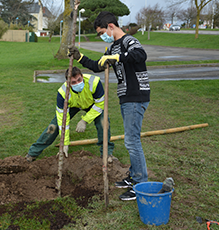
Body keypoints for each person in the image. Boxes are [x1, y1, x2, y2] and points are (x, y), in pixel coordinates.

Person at [68, 11, 150, 201]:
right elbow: (98, 66)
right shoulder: (113, 47)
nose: (101, 36)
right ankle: (134, 177)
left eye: (102, 32)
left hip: (136, 96)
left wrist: (117, 58)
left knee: (131, 140)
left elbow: (140, 55)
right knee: (131, 139)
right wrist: (80, 57)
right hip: (126, 97)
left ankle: (140, 183)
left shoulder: (129, 42)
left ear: (111, 27)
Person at [25, 66, 115, 162]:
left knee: (103, 122)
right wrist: (65, 143)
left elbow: (100, 105)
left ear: (82, 76)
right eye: (73, 82)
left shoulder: (94, 82)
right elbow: (62, 121)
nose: (77, 83)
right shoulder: (63, 93)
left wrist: (84, 120)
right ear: (68, 83)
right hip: (73, 105)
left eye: (79, 80)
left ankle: (107, 153)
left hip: (92, 104)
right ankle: (33, 153)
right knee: (53, 127)